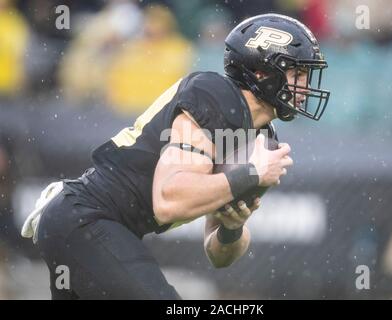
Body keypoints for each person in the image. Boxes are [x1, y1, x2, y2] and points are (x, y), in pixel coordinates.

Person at [21, 13, 330, 299]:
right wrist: (249, 174)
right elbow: (168, 201)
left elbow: (218, 255)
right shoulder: (215, 95)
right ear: (263, 72)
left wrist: (232, 226)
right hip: (84, 216)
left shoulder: (261, 140)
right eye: (298, 73)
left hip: (88, 225)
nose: (304, 86)